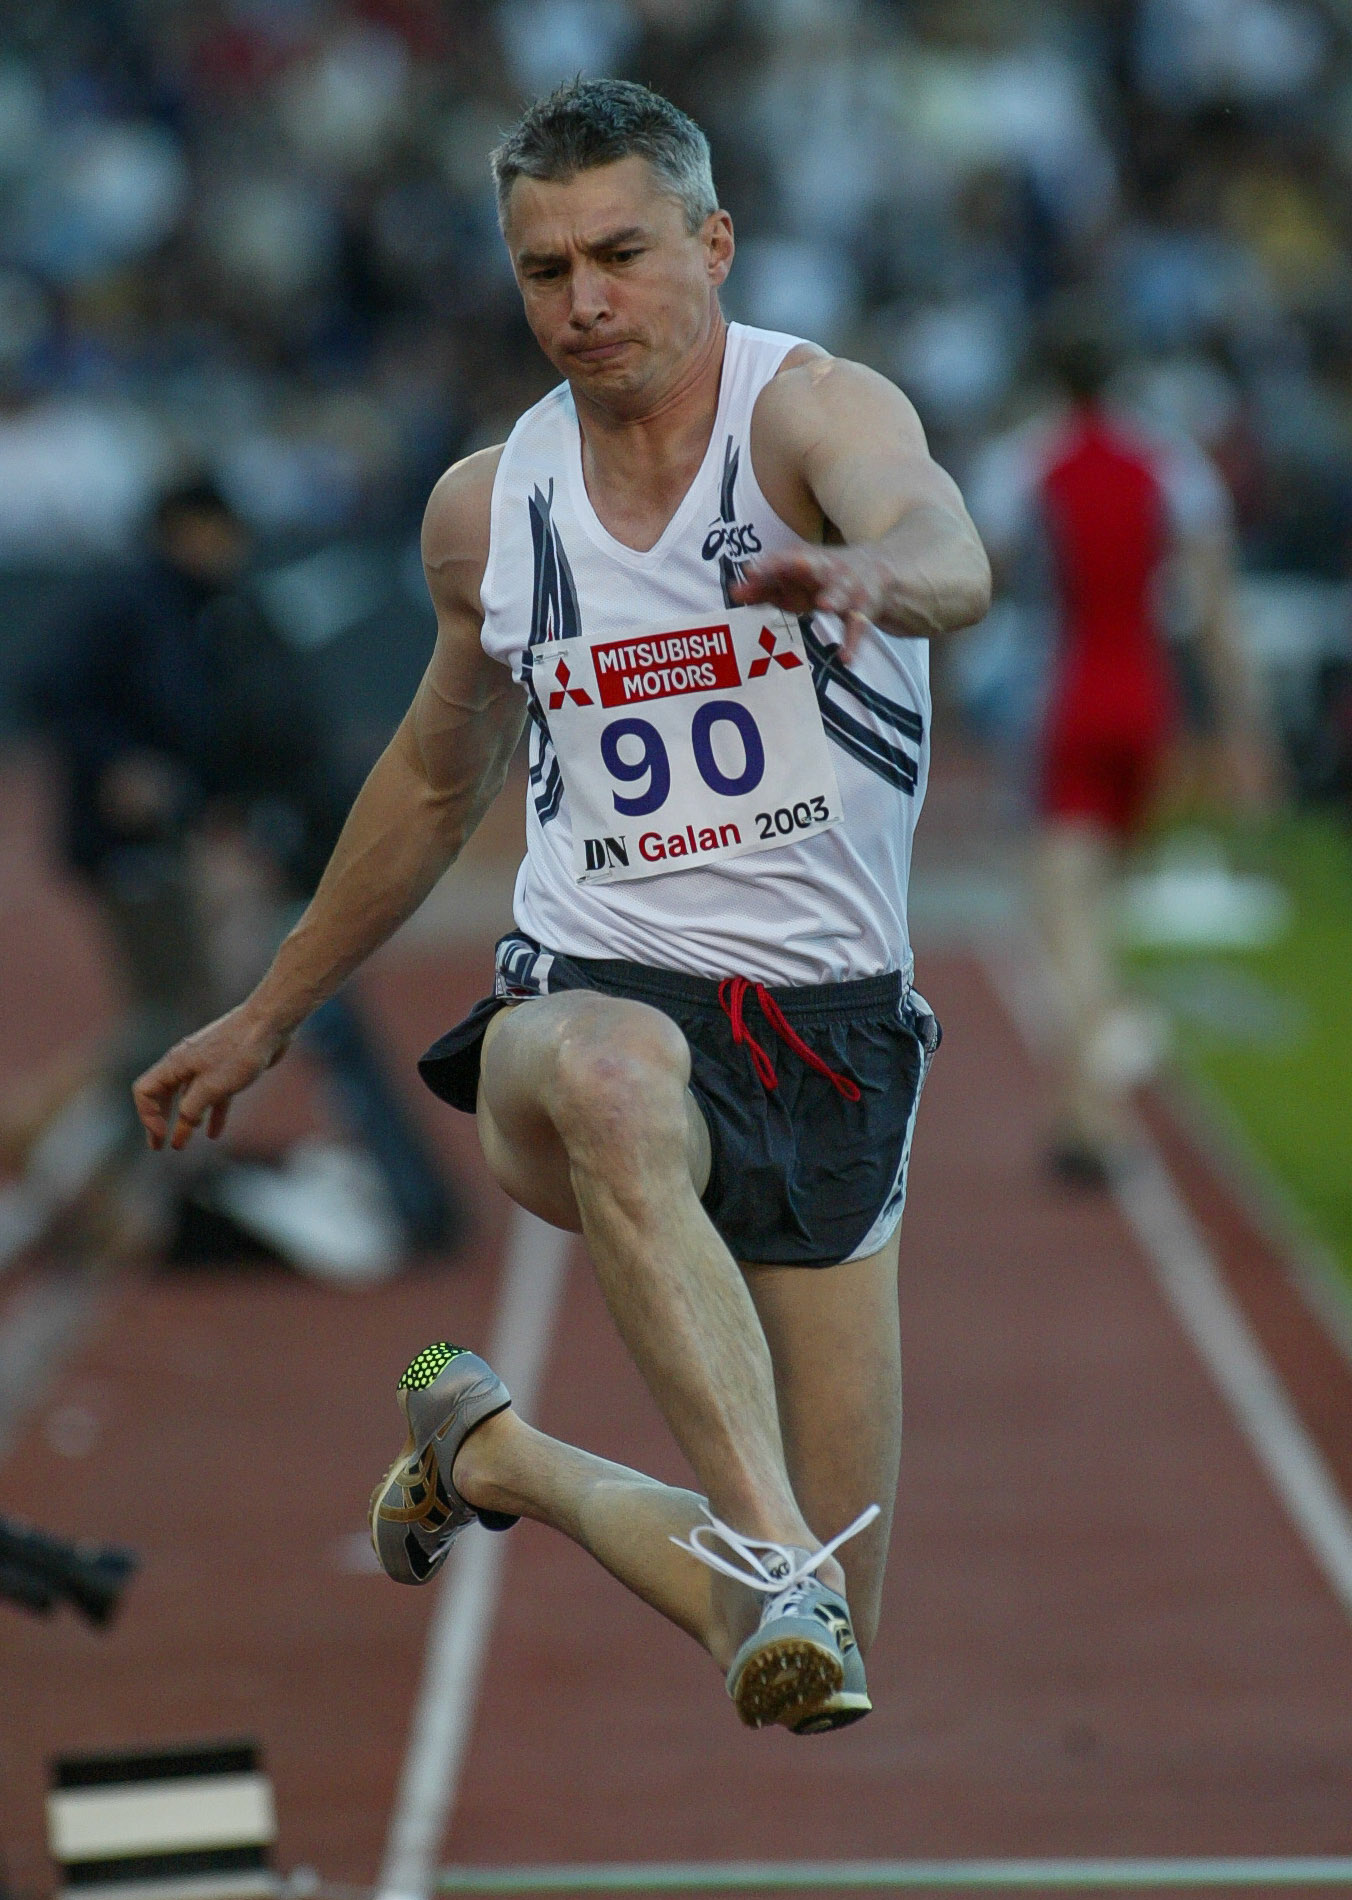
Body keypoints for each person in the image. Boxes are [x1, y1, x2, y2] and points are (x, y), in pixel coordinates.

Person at [132, 79, 991, 1734]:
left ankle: (501, 1449)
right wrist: (265, 1014)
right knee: (608, 1076)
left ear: (711, 242)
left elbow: (940, 529)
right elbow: (433, 783)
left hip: (825, 1044)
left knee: (834, 1643)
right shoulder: (489, 507)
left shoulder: (805, 415)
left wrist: (876, 573)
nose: (583, 303)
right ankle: (775, 1567)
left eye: (619, 254)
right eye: (542, 270)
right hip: (588, 1003)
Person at [13, 479, 460, 1269]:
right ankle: (66, 1161)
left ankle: (71, 1156)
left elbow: (224, 725)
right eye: (217, 530)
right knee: (172, 1016)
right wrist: (116, 763)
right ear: (183, 529)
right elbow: (48, 689)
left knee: (184, 1009)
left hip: (183, 841)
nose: (231, 546)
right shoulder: (126, 604)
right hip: (125, 850)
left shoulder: (212, 607)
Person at [970, 319, 1274, 1182]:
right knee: (1104, 913)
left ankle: (1095, 1114)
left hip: (1061, 696)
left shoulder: (1020, 462)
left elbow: (972, 581)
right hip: (1148, 694)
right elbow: (1214, 607)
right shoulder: (1171, 463)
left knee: (1067, 921)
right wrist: (1244, 729)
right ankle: (1089, 1103)